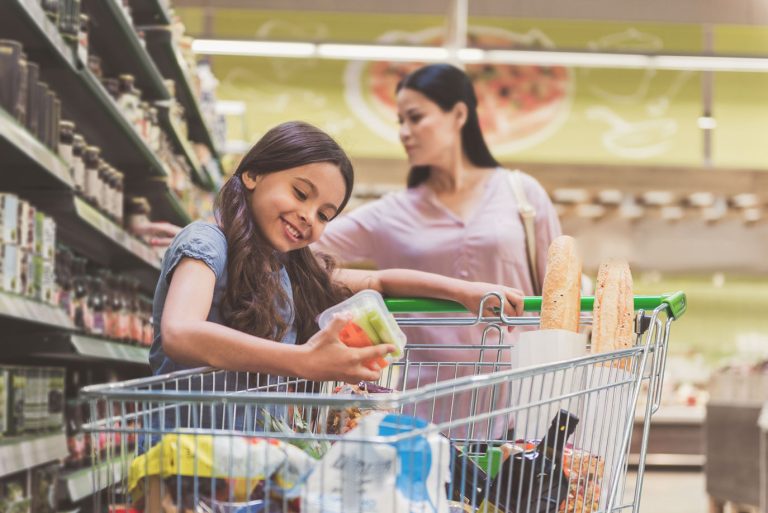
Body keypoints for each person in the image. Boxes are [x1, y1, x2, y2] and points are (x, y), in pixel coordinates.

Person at [150, 120, 524, 395]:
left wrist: (465, 292)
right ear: (253, 174)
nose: (308, 217)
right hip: (184, 459)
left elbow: (378, 281)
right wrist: (303, 360)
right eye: (300, 193)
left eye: (325, 214)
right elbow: (180, 332)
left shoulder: (285, 269)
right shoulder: (207, 242)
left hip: (250, 465)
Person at [313, 64, 563, 438]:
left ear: (459, 114)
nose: (403, 132)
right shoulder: (390, 213)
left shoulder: (522, 195)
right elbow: (298, 253)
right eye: (399, 121)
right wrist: (370, 283)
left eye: (415, 118)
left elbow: (556, 294)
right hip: (421, 406)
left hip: (518, 404)